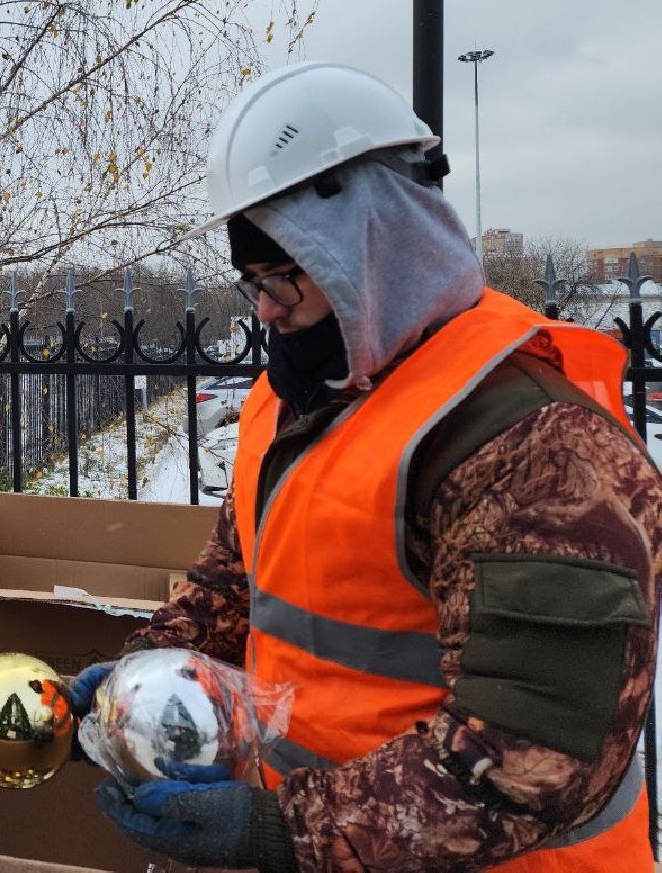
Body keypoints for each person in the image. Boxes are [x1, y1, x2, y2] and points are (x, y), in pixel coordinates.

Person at [69, 62, 662, 871]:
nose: (267, 311)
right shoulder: (299, 397)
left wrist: (277, 833)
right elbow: (237, 584)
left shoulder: (537, 446)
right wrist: (136, 687)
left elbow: (529, 763)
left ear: (381, 249)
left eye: (287, 276)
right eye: (251, 282)